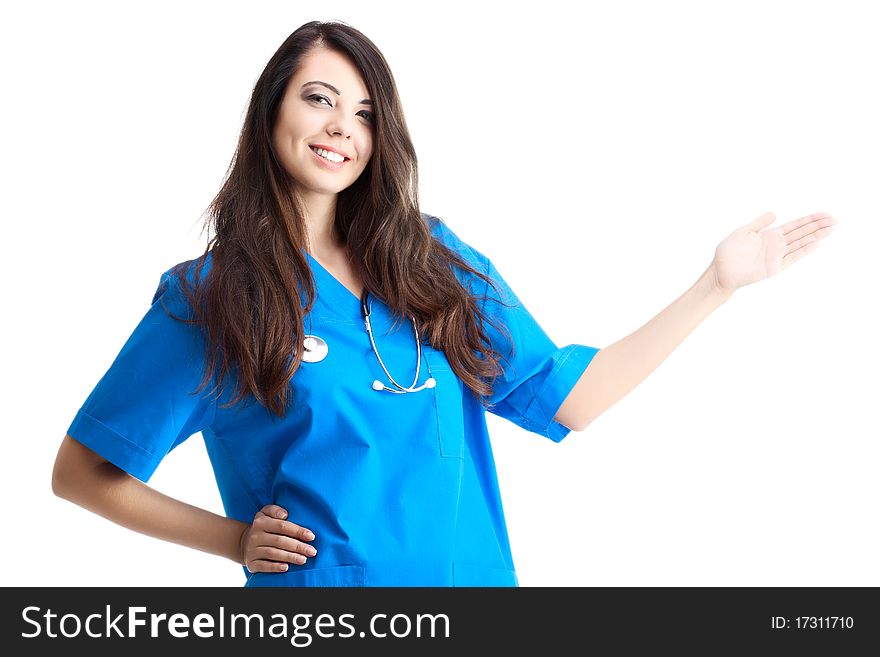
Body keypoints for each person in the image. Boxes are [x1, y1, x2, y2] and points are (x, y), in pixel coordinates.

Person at [52, 20, 838, 587]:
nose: (340, 129)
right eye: (318, 100)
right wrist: (233, 542)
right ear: (271, 116)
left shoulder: (432, 262)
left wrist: (716, 285)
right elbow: (83, 471)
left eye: (364, 113)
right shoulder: (213, 297)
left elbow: (571, 398)